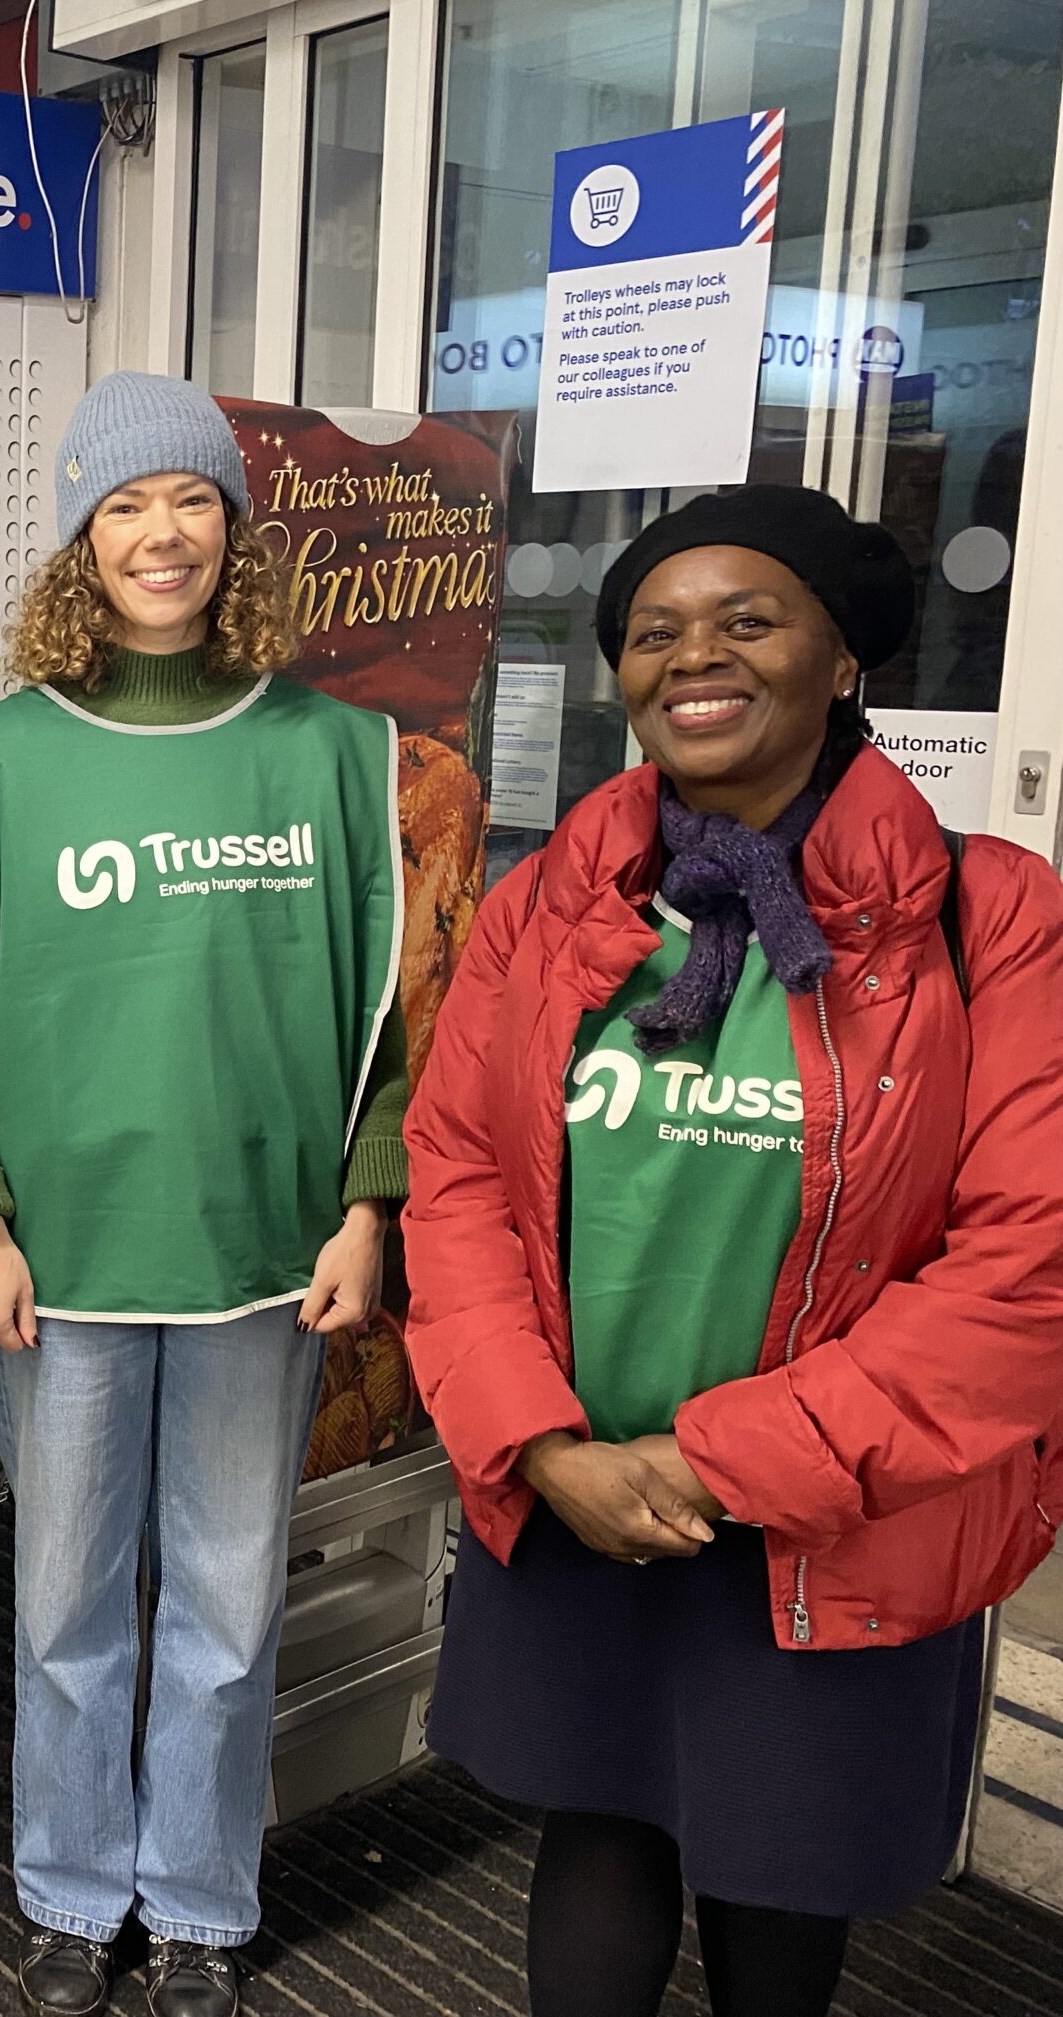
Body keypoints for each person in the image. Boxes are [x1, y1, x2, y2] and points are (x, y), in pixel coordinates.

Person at [405, 484, 1063, 2017]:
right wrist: (541, 1437)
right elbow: (457, 1179)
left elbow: (1023, 1265)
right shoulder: (552, 902)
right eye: (654, 630)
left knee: (782, 1880)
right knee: (596, 1831)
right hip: (576, 1483)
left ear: (844, 660)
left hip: (830, 1502)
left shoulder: (993, 917)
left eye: (747, 617)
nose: (694, 654)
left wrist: (717, 1463)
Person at [0, 372, 410, 2017]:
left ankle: (196, 1897)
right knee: (63, 1606)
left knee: (224, 1601)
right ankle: (70, 1889)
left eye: (188, 499)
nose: (160, 533)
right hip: (60, 1261)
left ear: (232, 525)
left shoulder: (336, 753)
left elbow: (383, 1018)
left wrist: (368, 1205)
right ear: (79, 538)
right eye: (124, 505)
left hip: (268, 1252)